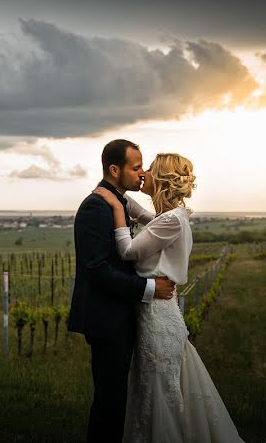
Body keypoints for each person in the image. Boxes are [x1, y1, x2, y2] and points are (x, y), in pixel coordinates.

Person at [93, 153, 244, 443]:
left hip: (157, 319)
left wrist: (114, 207)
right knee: (153, 390)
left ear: (160, 179)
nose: (143, 173)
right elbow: (144, 217)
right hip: (158, 313)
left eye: (148, 169)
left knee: (157, 393)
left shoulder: (171, 221)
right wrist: (118, 196)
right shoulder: (171, 218)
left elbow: (127, 250)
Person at [68, 139, 177, 443]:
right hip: (106, 319)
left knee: (117, 400)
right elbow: (98, 269)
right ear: (115, 169)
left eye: (143, 166)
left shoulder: (118, 201)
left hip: (120, 316)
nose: (142, 173)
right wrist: (149, 288)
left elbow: (156, 226)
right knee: (109, 402)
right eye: (136, 166)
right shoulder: (95, 206)